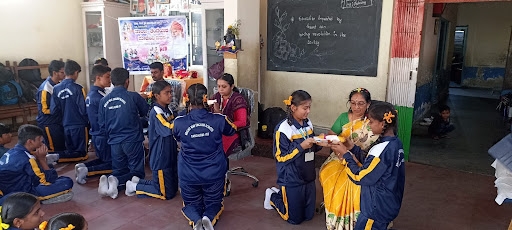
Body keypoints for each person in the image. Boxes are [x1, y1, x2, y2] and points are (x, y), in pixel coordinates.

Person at [332, 101, 405, 230]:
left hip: (375, 208)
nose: (369, 126)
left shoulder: (380, 149)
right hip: (389, 203)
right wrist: (353, 148)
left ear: (382, 124)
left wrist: (346, 155)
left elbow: (360, 177)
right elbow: (372, 163)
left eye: (371, 122)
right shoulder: (396, 143)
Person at [172, 83, 236, 230]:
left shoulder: (179, 122)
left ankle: (195, 219)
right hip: (213, 173)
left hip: (188, 174)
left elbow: (177, 137)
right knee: (214, 203)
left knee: (191, 204)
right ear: (206, 99)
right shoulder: (219, 119)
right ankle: (208, 217)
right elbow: (232, 130)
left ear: (186, 98)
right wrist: (219, 112)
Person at [264, 90, 328, 225]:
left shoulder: (307, 123)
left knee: (309, 216)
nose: (308, 111)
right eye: (305, 108)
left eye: (309, 107)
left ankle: (283, 195)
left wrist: (320, 143)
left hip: (308, 175)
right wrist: (301, 147)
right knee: (294, 219)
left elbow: (312, 146)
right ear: (293, 108)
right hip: (291, 178)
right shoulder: (283, 129)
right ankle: (273, 196)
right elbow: (280, 157)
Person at [319, 87, 378, 229]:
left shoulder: (373, 121)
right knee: (331, 177)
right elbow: (332, 137)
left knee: (355, 182)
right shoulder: (343, 118)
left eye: (361, 103)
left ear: (368, 104)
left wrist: (354, 156)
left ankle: (353, 219)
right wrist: (338, 150)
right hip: (339, 156)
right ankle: (334, 210)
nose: (356, 107)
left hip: (364, 159)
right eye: (353, 103)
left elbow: (375, 149)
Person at [98, 68, 149, 199]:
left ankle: (113, 182)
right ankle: (116, 182)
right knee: (137, 172)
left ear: (112, 81)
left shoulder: (104, 101)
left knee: (120, 169)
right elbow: (145, 112)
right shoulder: (133, 96)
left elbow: (102, 125)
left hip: (114, 142)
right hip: (132, 140)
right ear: (127, 81)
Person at [125, 81, 178, 200]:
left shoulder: (167, 109)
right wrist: (184, 123)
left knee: (172, 188)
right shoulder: (156, 111)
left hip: (168, 154)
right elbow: (168, 128)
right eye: (166, 93)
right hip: (160, 157)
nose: (170, 95)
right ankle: (133, 186)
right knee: (166, 193)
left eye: (171, 92)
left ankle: (138, 183)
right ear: (157, 96)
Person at [0, 125, 74, 205]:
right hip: (22, 192)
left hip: (8, 189)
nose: (41, 143)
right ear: (30, 141)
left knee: (52, 170)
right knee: (67, 182)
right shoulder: (27, 159)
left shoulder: (11, 151)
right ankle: (39, 199)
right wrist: (42, 159)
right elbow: (47, 181)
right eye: (39, 140)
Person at [75, 65, 113, 184]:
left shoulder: (91, 94)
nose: (110, 80)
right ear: (98, 78)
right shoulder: (100, 97)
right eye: (107, 77)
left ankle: (82, 166)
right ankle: (86, 170)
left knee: (103, 159)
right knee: (113, 165)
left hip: (96, 134)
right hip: (103, 135)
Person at [52, 60, 89, 163]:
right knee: (82, 154)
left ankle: (57, 156)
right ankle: (81, 170)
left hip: (65, 125)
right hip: (79, 125)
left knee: (70, 152)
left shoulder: (56, 89)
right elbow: (83, 109)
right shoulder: (79, 89)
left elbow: (54, 110)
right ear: (76, 72)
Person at [36, 60, 66, 159]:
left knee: (60, 145)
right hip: (48, 122)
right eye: (62, 72)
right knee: (53, 148)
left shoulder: (59, 85)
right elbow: (44, 110)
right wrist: (60, 111)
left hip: (57, 121)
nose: (65, 74)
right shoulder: (45, 89)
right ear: (54, 73)